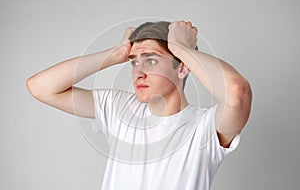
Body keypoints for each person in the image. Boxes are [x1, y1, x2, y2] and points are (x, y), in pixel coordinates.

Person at [26, 20, 252, 190]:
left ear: (182, 68)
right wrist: (116, 54)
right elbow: (40, 87)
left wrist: (182, 48)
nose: (138, 73)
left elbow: (237, 92)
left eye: (151, 60)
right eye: (134, 62)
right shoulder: (118, 108)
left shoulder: (205, 128)